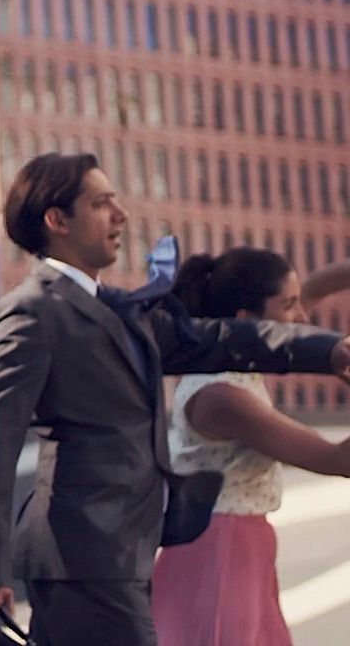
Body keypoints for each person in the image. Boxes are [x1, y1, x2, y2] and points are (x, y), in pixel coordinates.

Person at [0, 153, 350, 646]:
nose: (120, 215)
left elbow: (220, 339)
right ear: (56, 221)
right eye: (101, 203)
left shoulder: (119, 309)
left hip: (125, 549)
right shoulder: (31, 312)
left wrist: (328, 350)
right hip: (83, 554)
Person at [150, 248, 350, 646]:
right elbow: (337, 460)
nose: (302, 318)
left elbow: (314, 287)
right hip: (219, 558)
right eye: (289, 305)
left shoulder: (237, 361)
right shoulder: (222, 396)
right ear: (246, 322)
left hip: (241, 549)